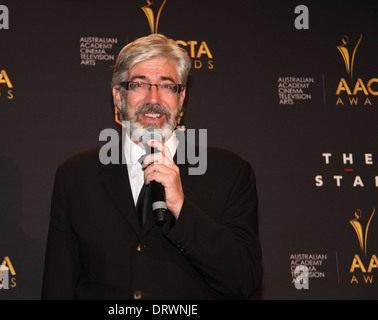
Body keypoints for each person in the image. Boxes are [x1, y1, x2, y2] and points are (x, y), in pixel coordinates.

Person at [41, 34, 261, 300]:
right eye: (139, 84)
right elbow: (59, 284)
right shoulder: (76, 175)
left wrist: (181, 206)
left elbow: (243, 279)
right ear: (118, 96)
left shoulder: (230, 173)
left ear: (182, 97)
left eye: (167, 86)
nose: (153, 97)